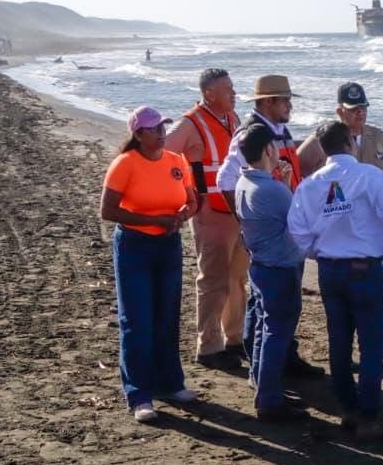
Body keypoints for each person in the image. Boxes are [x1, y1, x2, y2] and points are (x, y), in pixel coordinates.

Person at [289, 121, 383, 439]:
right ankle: (367, 416)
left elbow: (297, 231)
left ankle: (348, 408)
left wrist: (318, 252)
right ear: (350, 143)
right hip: (365, 267)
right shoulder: (370, 176)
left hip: (331, 268)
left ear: (322, 149)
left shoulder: (310, 185)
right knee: (371, 345)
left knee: (339, 341)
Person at [218, 75, 324, 378]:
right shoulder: (252, 134)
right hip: (273, 235)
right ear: (267, 103)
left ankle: (280, 358)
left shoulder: (278, 130)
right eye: (284, 100)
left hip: (284, 230)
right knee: (268, 304)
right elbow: (225, 179)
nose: (290, 105)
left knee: (275, 303)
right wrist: (247, 220)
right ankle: (264, 365)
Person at [100, 106, 200, 423]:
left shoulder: (175, 161)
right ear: (139, 134)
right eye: (155, 129)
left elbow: (192, 199)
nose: (161, 133)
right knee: (137, 320)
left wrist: (183, 214)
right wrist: (153, 220)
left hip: (168, 245)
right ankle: (139, 394)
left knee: (167, 316)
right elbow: (108, 210)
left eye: (163, 127)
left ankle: (170, 384)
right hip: (135, 245)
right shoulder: (125, 164)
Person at [295, 82, 383, 366]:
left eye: (364, 108)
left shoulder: (377, 136)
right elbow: (299, 169)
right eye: (354, 109)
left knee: (372, 307)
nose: (360, 113)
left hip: (369, 236)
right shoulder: (324, 137)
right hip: (337, 229)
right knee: (341, 320)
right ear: (340, 111)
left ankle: (376, 351)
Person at [164, 68, 247, 371]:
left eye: (233, 87)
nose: (234, 93)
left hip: (236, 210)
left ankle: (235, 339)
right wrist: (186, 197)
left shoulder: (233, 119)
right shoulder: (190, 124)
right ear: (208, 94)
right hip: (210, 214)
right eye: (227, 89)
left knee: (237, 278)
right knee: (212, 280)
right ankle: (209, 347)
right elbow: (161, 158)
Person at [235, 123, 310, 422]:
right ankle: (269, 399)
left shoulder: (245, 182)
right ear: (268, 149)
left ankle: (263, 386)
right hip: (279, 267)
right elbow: (299, 221)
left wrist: (284, 182)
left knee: (263, 329)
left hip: (261, 264)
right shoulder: (271, 189)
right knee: (277, 333)